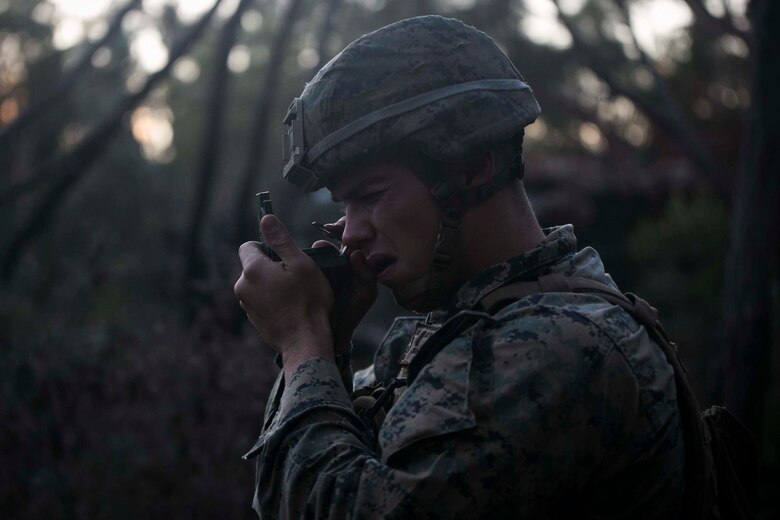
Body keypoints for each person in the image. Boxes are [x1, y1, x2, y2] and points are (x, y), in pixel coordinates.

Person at [234, 15, 684, 519]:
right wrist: (328, 340)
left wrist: (301, 342)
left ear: (472, 166)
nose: (352, 230)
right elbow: (287, 493)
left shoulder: (557, 345)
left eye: (372, 195)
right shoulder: (451, 330)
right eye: (346, 204)